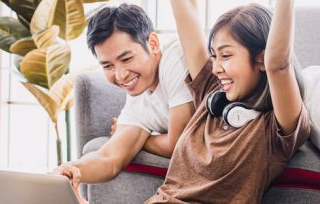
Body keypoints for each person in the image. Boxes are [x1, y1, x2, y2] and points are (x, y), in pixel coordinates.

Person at [146, 0, 311, 203]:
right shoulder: (211, 91)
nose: (215, 68)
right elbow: (184, 10)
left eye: (225, 55)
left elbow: (279, 65)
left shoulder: (274, 130)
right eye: (214, 56)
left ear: (261, 59)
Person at [53, 3, 195, 192]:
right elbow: (109, 159)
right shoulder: (137, 97)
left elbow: (178, 144)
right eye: (108, 66)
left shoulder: (175, 58)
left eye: (126, 59)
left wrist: (144, 140)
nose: (120, 76)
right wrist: (74, 169)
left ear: (152, 43)